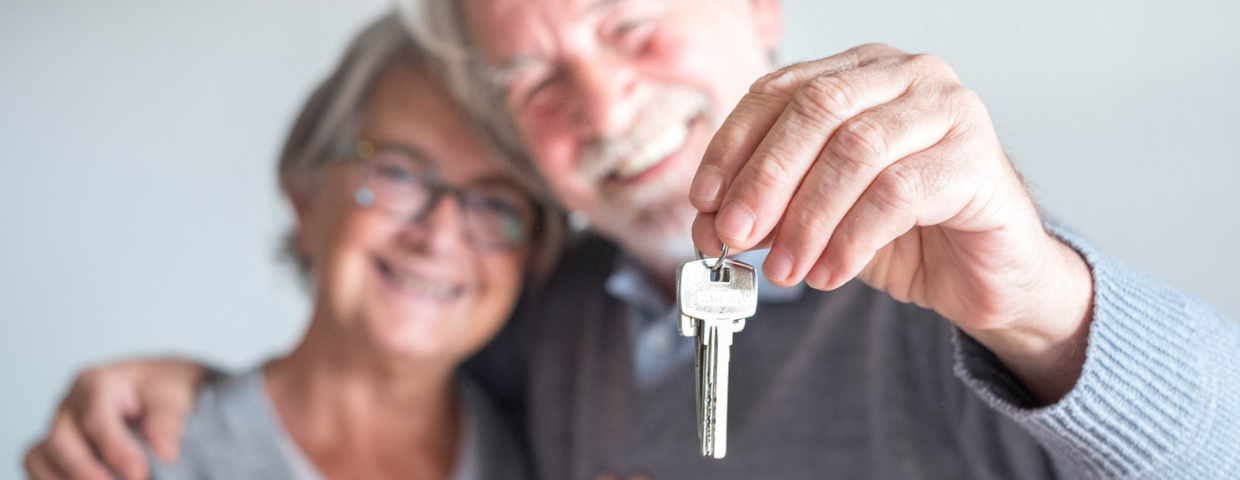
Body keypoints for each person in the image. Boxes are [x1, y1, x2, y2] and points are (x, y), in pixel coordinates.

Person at [28, 0, 1240, 478]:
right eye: (535, 81)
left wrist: (1040, 301)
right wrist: (208, 399)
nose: (602, 110)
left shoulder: (973, 290)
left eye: (629, 23)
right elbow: (376, 390)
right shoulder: (551, 323)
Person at [23, 14, 564, 480]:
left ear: (533, 254)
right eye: (398, 171)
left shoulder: (554, 455)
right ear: (306, 197)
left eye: (496, 204)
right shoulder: (136, 457)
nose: (440, 234)